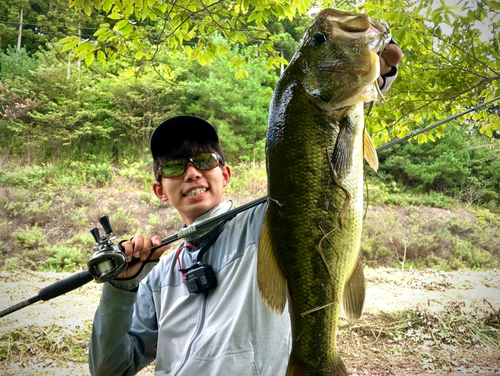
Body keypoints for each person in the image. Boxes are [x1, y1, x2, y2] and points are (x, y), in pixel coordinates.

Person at [88, 43, 403, 376]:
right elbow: (109, 369)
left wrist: (364, 79)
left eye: (205, 161)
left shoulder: (265, 225)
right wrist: (120, 289)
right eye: (174, 167)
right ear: (159, 190)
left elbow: (317, 179)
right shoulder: (158, 279)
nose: (192, 172)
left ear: (225, 174)